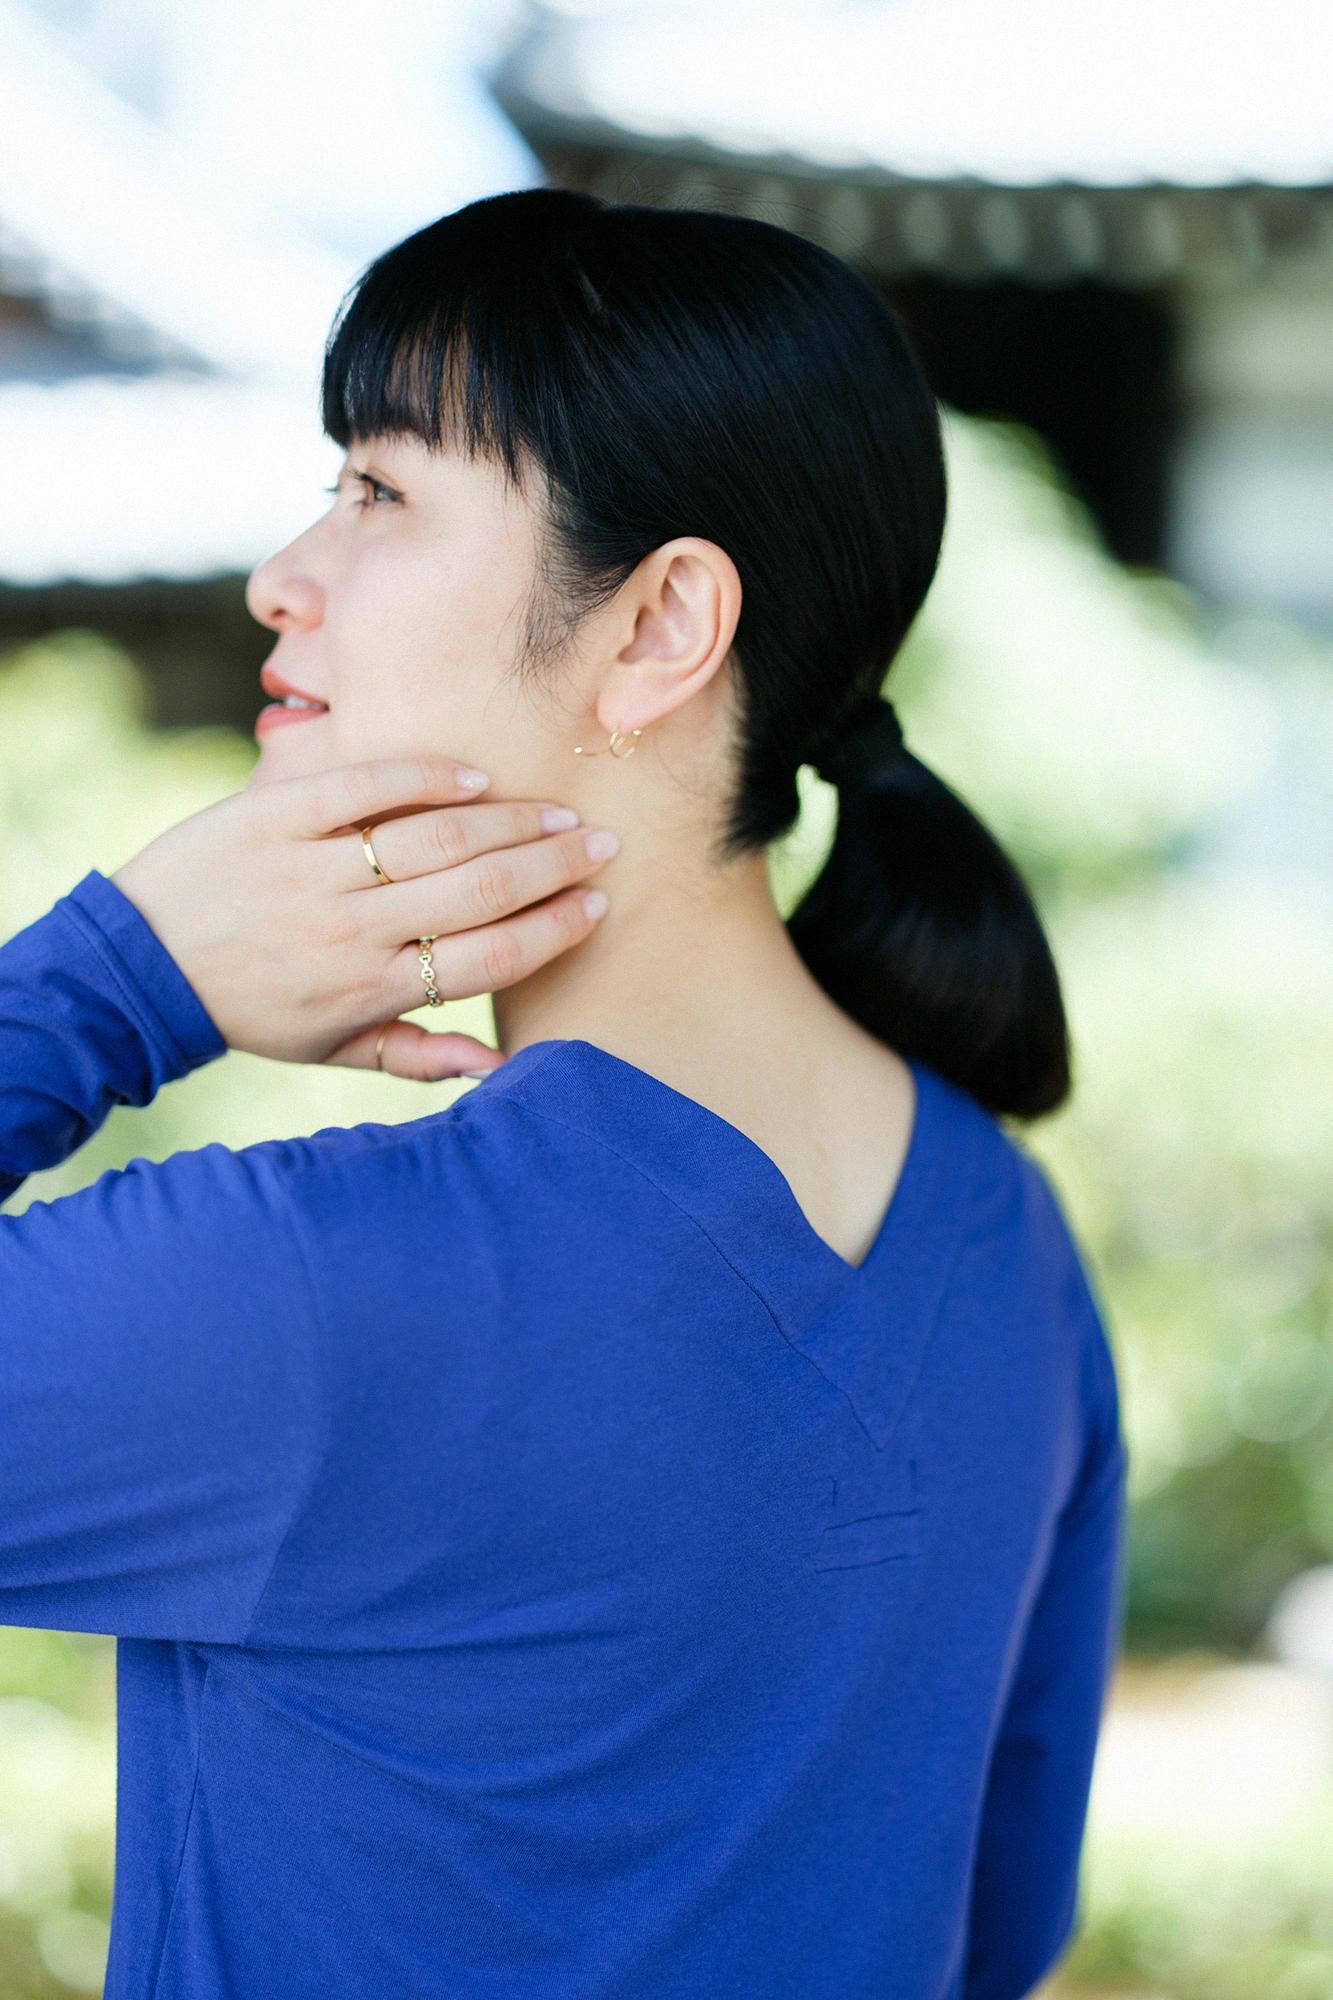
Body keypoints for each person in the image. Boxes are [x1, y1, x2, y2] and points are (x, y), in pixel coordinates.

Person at [0, 186, 1127, 1999]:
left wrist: (123, 982)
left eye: (379, 491)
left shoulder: (332, 1296)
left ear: (661, 624)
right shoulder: (1010, 1247)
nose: (283, 572)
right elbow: (995, 1928)